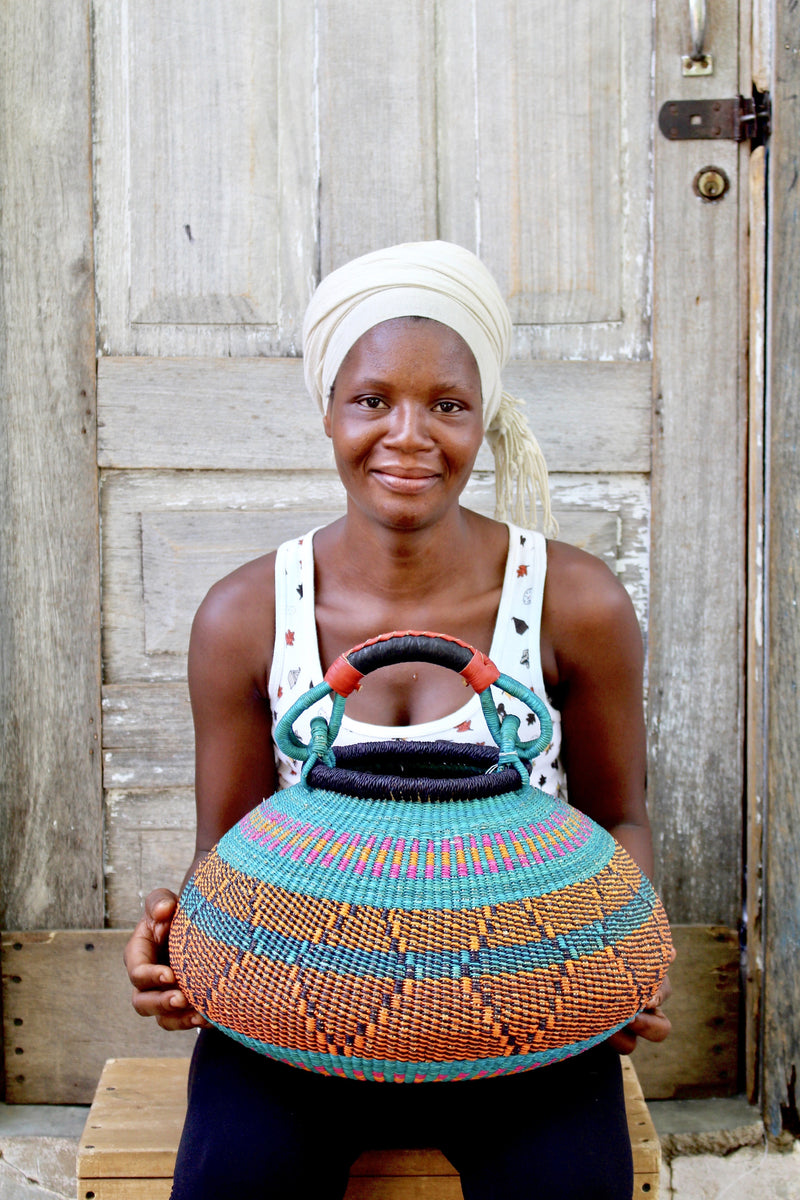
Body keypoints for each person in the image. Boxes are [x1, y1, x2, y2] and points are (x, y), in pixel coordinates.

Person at [124, 241, 672, 1199]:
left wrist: (618, 960)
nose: (409, 435)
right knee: (235, 1180)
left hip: (521, 1008)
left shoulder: (573, 602)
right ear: (329, 413)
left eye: (448, 404)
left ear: (485, 415)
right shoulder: (247, 614)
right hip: (299, 1014)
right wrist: (182, 946)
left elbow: (621, 819)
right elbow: (227, 848)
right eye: (373, 399)